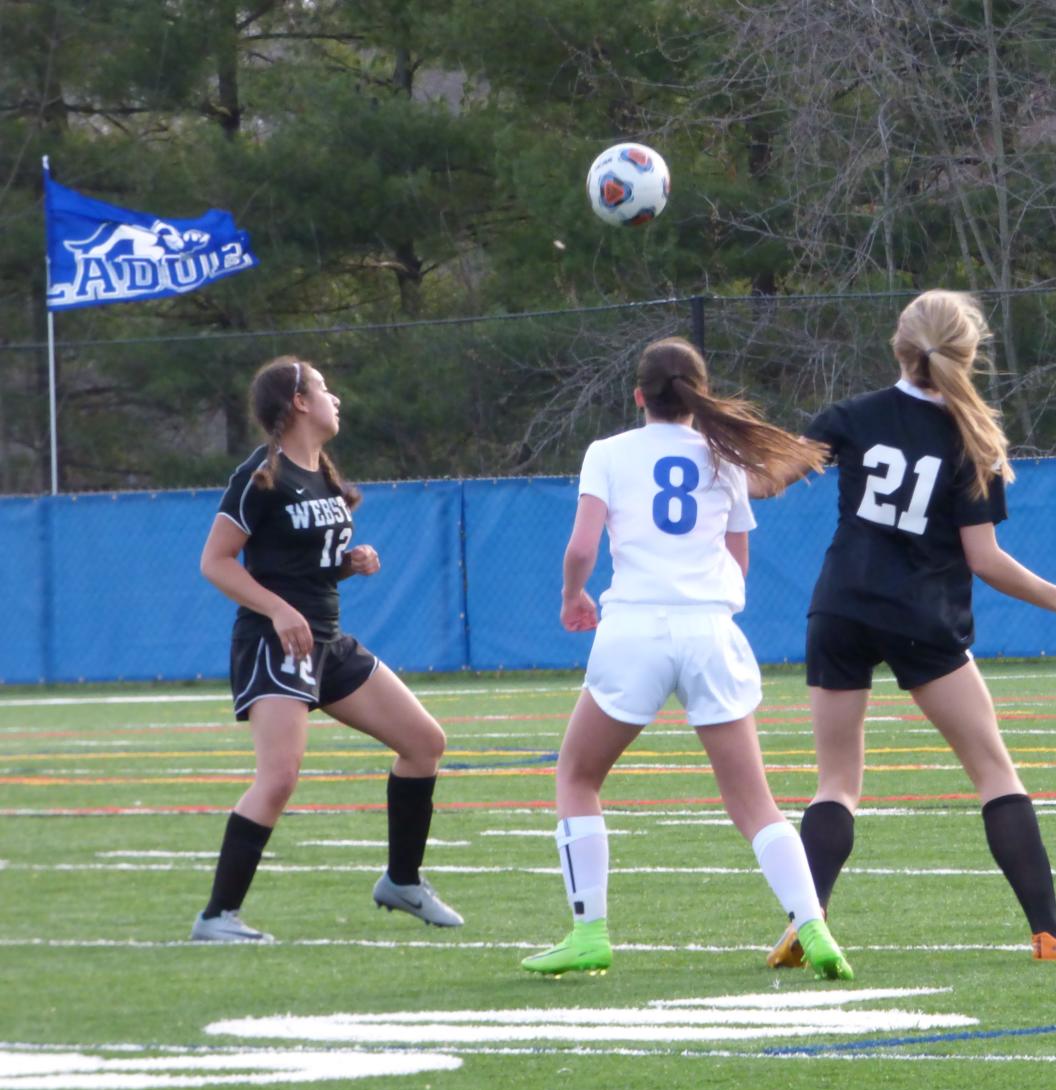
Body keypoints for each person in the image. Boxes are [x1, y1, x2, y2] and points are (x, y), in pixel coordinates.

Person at [762, 290, 1056, 968]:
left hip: (838, 606)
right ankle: (1048, 933)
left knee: (834, 781)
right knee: (992, 771)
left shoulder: (852, 416)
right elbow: (984, 560)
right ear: (969, 352)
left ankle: (808, 923)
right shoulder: (971, 437)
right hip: (919, 614)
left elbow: (768, 479)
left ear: (898, 346)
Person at [522, 336, 853, 980]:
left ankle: (588, 932)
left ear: (639, 395)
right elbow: (738, 564)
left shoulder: (608, 453)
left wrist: (572, 596)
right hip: (710, 630)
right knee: (755, 803)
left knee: (577, 777)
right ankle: (813, 927)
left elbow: (582, 547)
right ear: (697, 397)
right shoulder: (725, 458)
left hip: (635, 631)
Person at [191, 355, 462, 942]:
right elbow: (215, 563)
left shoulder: (322, 474)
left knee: (424, 743)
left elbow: (301, 564)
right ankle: (217, 917)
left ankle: (402, 881)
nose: (334, 398)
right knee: (279, 777)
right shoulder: (260, 475)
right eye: (323, 388)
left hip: (328, 641)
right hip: (276, 641)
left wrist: (347, 564)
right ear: (298, 402)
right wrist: (280, 610)